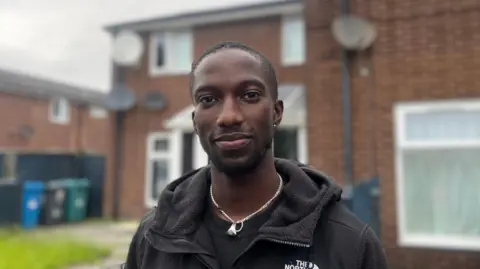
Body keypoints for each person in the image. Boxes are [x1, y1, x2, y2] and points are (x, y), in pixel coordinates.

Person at [122, 41, 388, 269]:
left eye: (249, 95)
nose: (229, 116)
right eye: (208, 99)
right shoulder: (154, 235)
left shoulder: (349, 242)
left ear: (276, 112)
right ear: (194, 121)